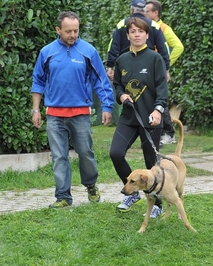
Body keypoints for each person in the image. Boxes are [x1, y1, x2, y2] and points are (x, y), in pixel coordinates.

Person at [31, 11, 114, 208]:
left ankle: (91, 185)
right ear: (58, 30)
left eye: (76, 30)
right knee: (59, 156)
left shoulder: (88, 51)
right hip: (54, 115)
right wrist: (36, 110)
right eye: (68, 31)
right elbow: (38, 81)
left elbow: (101, 81)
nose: (73, 35)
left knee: (86, 152)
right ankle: (63, 197)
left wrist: (107, 106)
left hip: (81, 113)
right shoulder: (47, 52)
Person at [109, 17, 168, 218]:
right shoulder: (121, 60)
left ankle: (157, 203)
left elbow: (162, 88)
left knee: (152, 163)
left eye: (140, 31)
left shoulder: (155, 58)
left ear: (146, 35)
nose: (136, 34)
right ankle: (132, 192)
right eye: (132, 31)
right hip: (129, 118)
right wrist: (121, 95)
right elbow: (117, 84)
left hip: (150, 119)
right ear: (127, 35)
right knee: (115, 153)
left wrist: (158, 110)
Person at [146, 0, 184, 146]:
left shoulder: (163, 28)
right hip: (148, 72)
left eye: (148, 11)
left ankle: (168, 133)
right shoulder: (146, 27)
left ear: (156, 13)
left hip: (157, 72)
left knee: (160, 101)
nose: (145, 13)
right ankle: (160, 133)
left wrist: (164, 66)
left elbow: (179, 47)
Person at [106, 0, 171, 83]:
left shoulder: (122, 24)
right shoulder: (154, 25)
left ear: (131, 10)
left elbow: (113, 46)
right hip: (148, 66)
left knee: (124, 91)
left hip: (125, 66)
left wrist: (110, 66)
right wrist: (166, 69)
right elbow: (163, 48)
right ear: (145, 11)